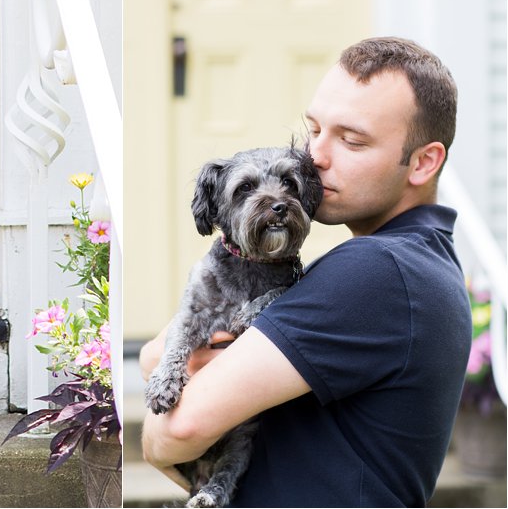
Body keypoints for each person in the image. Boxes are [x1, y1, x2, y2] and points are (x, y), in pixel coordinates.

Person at [141, 37, 473, 507]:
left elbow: (176, 431)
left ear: (423, 162)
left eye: (352, 140)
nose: (315, 157)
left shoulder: (377, 271)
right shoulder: (420, 263)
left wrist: (165, 394)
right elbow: (157, 360)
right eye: (314, 128)